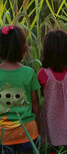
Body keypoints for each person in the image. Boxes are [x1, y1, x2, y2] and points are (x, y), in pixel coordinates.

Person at [0, 25, 40, 154]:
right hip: (28, 131)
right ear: (23, 48)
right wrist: (38, 124)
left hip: (3, 134)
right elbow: (35, 104)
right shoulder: (29, 73)